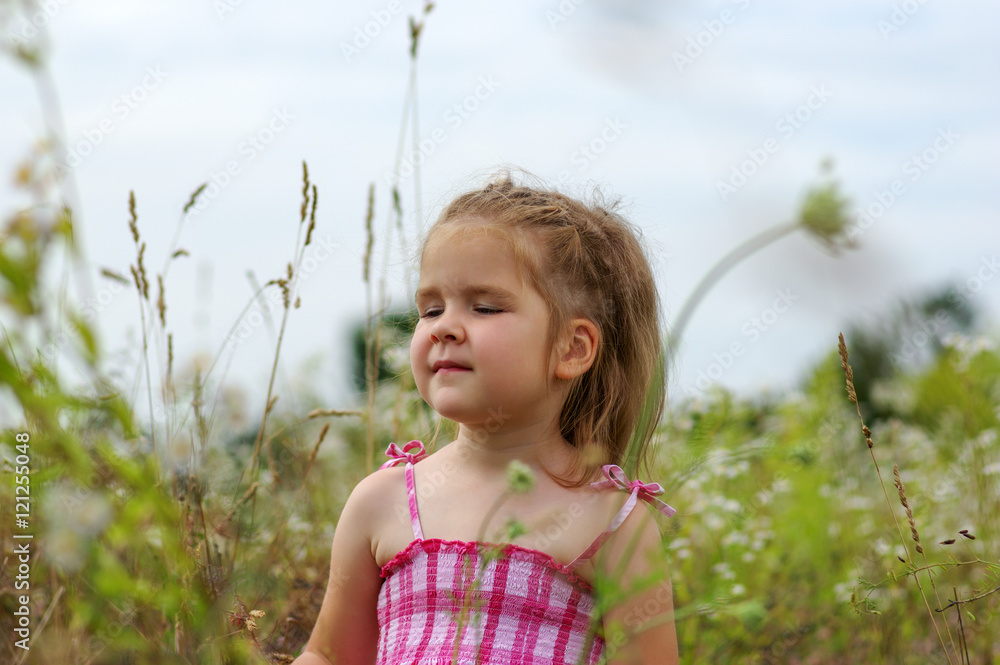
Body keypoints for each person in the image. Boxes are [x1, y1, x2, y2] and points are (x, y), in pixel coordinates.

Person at [293, 172, 679, 665]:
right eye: (430, 309)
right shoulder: (381, 500)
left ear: (572, 348)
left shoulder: (612, 522)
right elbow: (329, 655)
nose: (444, 328)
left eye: (485, 307)